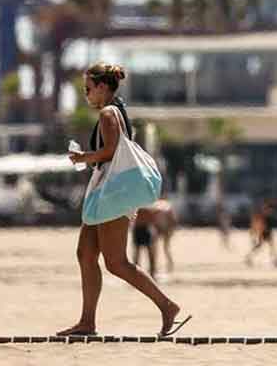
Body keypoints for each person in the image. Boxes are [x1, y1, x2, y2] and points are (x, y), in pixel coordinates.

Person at [58, 62, 190, 337]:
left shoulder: (109, 112)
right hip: (106, 194)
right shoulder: (116, 110)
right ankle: (87, 322)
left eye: (89, 89)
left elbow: (110, 151)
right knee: (85, 254)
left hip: (112, 195)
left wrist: (84, 157)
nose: (86, 95)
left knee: (116, 262)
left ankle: (167, 306)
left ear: (103, 87)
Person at [133, 199, 178, 277]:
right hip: (140, 228)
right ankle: (138, 274)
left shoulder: (154, 205)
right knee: (140, 253)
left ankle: (151, 273)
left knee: (150, 253)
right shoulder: (154, 205)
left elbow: (156, 219)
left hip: (146, 228)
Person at [244, 200, 277, 268]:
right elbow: (260, 224)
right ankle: (276, 261)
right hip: (265, 232)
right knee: (267, 247)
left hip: (267, 232)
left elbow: (262, 224)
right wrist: (257, 232)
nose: (271, 211)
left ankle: (276, 261)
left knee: (268, 247)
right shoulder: (262, 215)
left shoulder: (264, 215)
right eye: (270, 209)